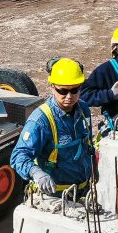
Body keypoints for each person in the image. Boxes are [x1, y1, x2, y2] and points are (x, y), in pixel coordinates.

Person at [11, 58, 95, 196]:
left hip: (83, 191)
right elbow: (18, 156)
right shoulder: (41, 120)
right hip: (55, 196)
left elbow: (88, 144)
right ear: (52, 87)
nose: (69, 96)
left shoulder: (83, 110)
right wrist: (36, 172)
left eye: (75, 90)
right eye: (63, 91)